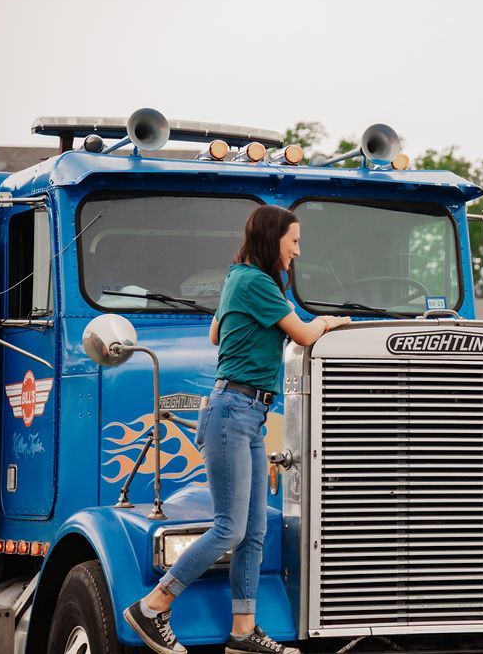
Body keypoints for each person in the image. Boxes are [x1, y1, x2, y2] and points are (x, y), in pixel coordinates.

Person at [123, 205, 349, 654]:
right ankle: (151, 607)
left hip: (248, 413)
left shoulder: (238, 280)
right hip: (233, 412)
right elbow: (304, 335)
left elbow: (214, 335)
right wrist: (330, 322)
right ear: (272, 239)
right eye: (294, 242)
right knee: (229, 529)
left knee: (253, 531)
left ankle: (243, 632)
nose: (297, 252)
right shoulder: (255, 282)